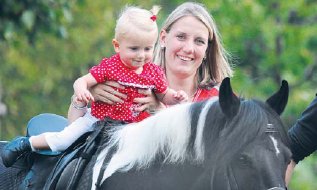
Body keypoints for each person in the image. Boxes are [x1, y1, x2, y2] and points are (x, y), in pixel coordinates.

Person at [67, 2, 317, 186]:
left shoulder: (220, 105)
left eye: (199, 41)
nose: (188, 48)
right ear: (163, 38)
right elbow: (78, 135)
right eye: (181, 37)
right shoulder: (128, 79)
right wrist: (86, 94)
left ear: (208, 49)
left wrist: (159, 111)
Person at [1, 5, 188, 168]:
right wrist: (82, 90)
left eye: (148, 49)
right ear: (117, 45)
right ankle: (26, 144)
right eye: (134, 49)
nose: (141, 55)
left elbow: (164, 95)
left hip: (132, 127)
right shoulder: (111, 66)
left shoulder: (153, 72)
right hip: (97, 119)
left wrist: (176, 98)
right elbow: (82, 81)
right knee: (64, 140)